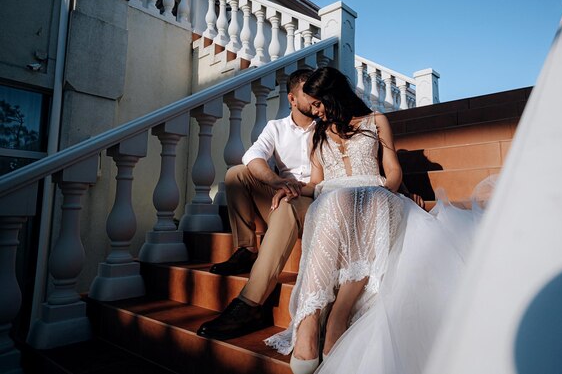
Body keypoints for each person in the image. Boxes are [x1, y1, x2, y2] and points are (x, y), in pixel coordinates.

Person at [264, 67, 484, 374]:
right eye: (311, 105)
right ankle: (310, 318)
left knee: (354, 201)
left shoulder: (376, 121)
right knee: (330, 202)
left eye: (318, 104)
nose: (314, 111)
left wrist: (379, 191)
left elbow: (393, 172)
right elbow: (316, 183)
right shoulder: (317, 133)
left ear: (334, 96)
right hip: (332, 200)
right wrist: (289, 188)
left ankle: (338, 314)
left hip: (377, 194)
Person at [197, 68, 316, 339]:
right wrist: (276, 181)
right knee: (236, 174)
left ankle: (250, 305)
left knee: (287, 204)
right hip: (280, 195)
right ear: (292, 99)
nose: (314, 99)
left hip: (312, 201)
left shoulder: (325, 127)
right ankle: (247, 248)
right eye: (308, 93)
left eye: (317, 93)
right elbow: (253, 155)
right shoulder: (276, 127)